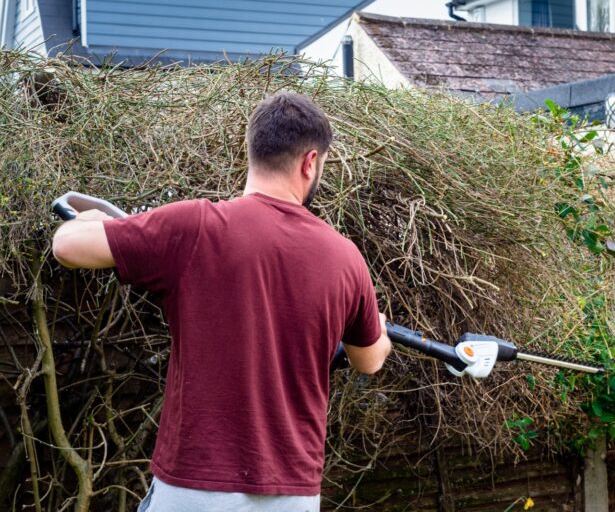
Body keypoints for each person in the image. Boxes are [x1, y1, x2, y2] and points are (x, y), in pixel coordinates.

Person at [51, 92, 392, 512]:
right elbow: (370, 360)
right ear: (310, 162)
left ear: (251, 151)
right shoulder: (346, 258)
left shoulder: (195, 226)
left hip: (194, 487)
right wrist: (376, 324)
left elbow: (67, 245)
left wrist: (96, 219)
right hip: (293, 493)